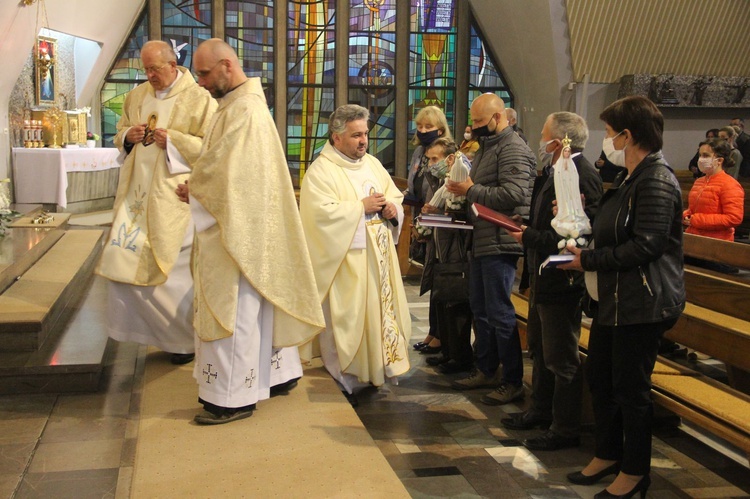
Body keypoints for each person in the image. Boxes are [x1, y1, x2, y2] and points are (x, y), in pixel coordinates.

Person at [179, 38, 325, 425]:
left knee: (237, 310)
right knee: (256, 306)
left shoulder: (244, 110)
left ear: (227, 65)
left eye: (206, 73)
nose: (201, 82)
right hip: (247, 223)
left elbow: (228, 175)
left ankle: (233, 398)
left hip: (238, 231)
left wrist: (195, 188)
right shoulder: (237, 105)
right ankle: (278, 375)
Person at [562, 96, 685, 498]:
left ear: (628, 135)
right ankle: (608, 453)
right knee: (600, 378)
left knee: (631, 390)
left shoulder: (657, 179)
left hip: (643, 303)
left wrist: (590, 260)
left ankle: (635, 471)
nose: (608, 141)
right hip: (616, 301)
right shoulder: (632, 178)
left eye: (611, 133)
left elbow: (647, 245)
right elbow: (616, 229)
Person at [95, 40, 216, 366]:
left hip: (173, 199)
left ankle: (182, 342)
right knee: (123, 265)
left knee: (174, 274)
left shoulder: (200, 99)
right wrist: (127, 138)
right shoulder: (136, 97)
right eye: (145, 69)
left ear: (172, 64)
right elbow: (119, 133)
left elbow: (214, 148)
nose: (149, 75)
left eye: (155, 69)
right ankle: (143, 335)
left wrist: (174, 141)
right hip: (136, 198)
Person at [299, 104, 412, 407]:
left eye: (365, 134)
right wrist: (359, 207)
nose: (363, 141)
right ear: (336, 138)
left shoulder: (372, 164)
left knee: (379, 316)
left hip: (380, 262)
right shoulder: (320, 172)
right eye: (355, 135)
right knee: (349, 319)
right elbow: (318, 216)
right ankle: (348, 375)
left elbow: (394, 197)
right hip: (347, 264)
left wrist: (392, 209)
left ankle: (379, 369)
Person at [503, 112, 603, 451]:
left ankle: (565, 428)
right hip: (543, 276)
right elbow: (553, 218)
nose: (540, 140)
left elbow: (579, 234)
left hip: (563, 280)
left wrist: (529, 235)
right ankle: (541, 411)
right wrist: (527, 223)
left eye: (544, 134)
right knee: (542, 351)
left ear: (560, 141)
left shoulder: (581, 174)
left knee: (561, 358)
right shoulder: (557, 170)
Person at [445, 93, 535, 405]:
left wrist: (471, 190)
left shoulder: (513, 149)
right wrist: (461, 188)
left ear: (498, 118)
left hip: (502, 241)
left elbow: (513, 195)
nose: (475, 129)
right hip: (483, 238)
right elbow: (480, 190)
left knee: (499, 312)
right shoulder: (489, 148)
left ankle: (512, 380)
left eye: (480, 123)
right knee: (481, 309)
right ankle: (486, 368)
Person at [419, 138, 474, 374]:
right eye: (429, 159)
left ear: (450, 158)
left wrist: (437, 211)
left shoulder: (460, 178)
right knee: (443, 302)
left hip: (457, 250)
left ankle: (459, 356)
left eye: (435, 159)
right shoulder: (442, 180)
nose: (432, 164)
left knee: (456, 303)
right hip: (442, 247)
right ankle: (448, 351)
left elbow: (464, 212)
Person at [404, 105, 452, 350]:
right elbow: (415, 185)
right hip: (424, 216)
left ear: (441, 128)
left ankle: (440, 335)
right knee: (432, 277)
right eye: (420, 126)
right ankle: (433, 333)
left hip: (441, 221)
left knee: (441, 280)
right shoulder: (419, 152)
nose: (423, 131)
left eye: (428, 127)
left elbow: (442, 188)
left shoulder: (445, 152)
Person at [683, 138, 745, 242]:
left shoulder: (730, 184)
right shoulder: (699, 181)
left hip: (716, 242)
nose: (701, 159)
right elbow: (694, 208)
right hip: (694, 237)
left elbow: (733, 218)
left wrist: (696, 220)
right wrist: (686, 215)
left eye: (706, 155)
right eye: (700, 155)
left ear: (719, 160)